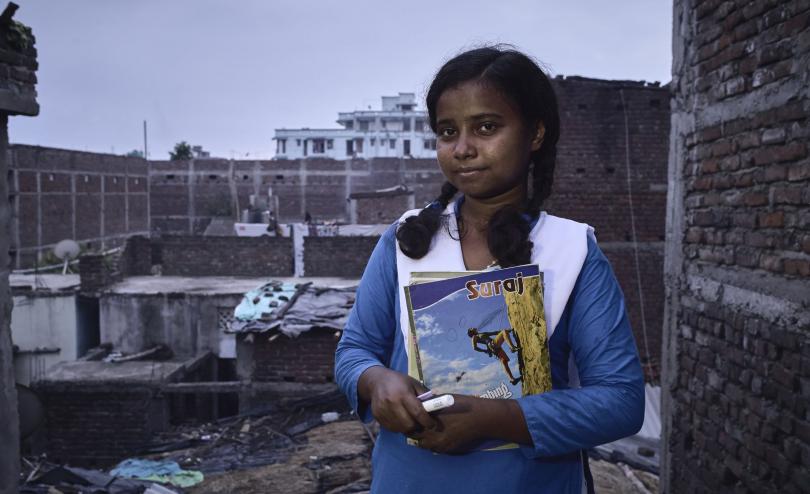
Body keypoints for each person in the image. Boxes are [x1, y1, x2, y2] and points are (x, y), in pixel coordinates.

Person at [335, 45, 644, 493]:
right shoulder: (405, 240)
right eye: (447, 131)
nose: (462, 148)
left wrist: (494, 418)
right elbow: (353, 349)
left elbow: (621, 401)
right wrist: (374, 379)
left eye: (486, 127)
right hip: (407, 480)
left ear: (535, 133)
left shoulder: (571, 251)